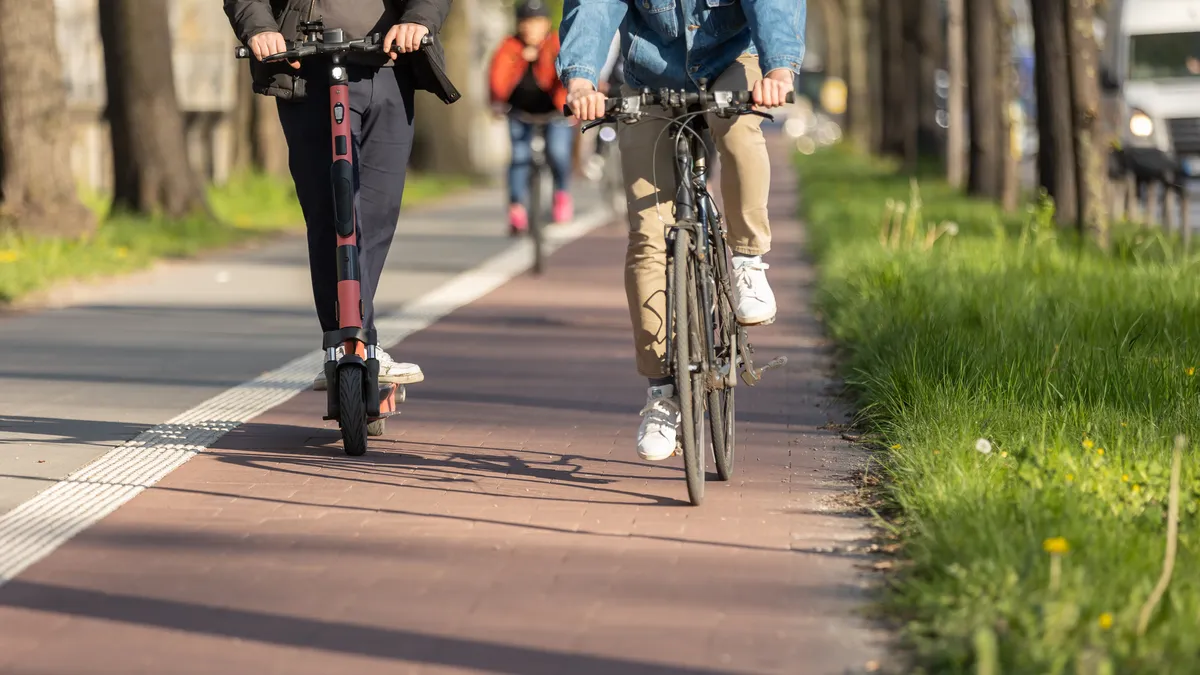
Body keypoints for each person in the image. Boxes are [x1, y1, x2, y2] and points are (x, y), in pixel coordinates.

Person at [558, 1, 802, 461]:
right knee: (649, 236)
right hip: (650, 78)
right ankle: (661, 395)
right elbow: (592, 6)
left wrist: (779, 70)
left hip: (733, 62)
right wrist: (580, 78)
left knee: (736, 130)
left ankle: (748, 260)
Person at [223, 0, 457, 390]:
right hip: (308, 66)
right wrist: (260, 28)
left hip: (387, 65)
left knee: (379, 209)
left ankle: (351, 339)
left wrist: (418, 20)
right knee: (330, 211)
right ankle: (348, 341)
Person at [489, 0, 576, 234]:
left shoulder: (555, 44)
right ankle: (516, 207)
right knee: (519, 156)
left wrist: (571, 102)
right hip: (520, 112)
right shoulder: (509, 47)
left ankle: (561, 195)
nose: (531, 28)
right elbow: (497, 77)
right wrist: (497, 103)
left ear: (546, 24)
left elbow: (566, 75)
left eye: (537, 22)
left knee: (558, 152)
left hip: (554, 111)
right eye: (526, 23)